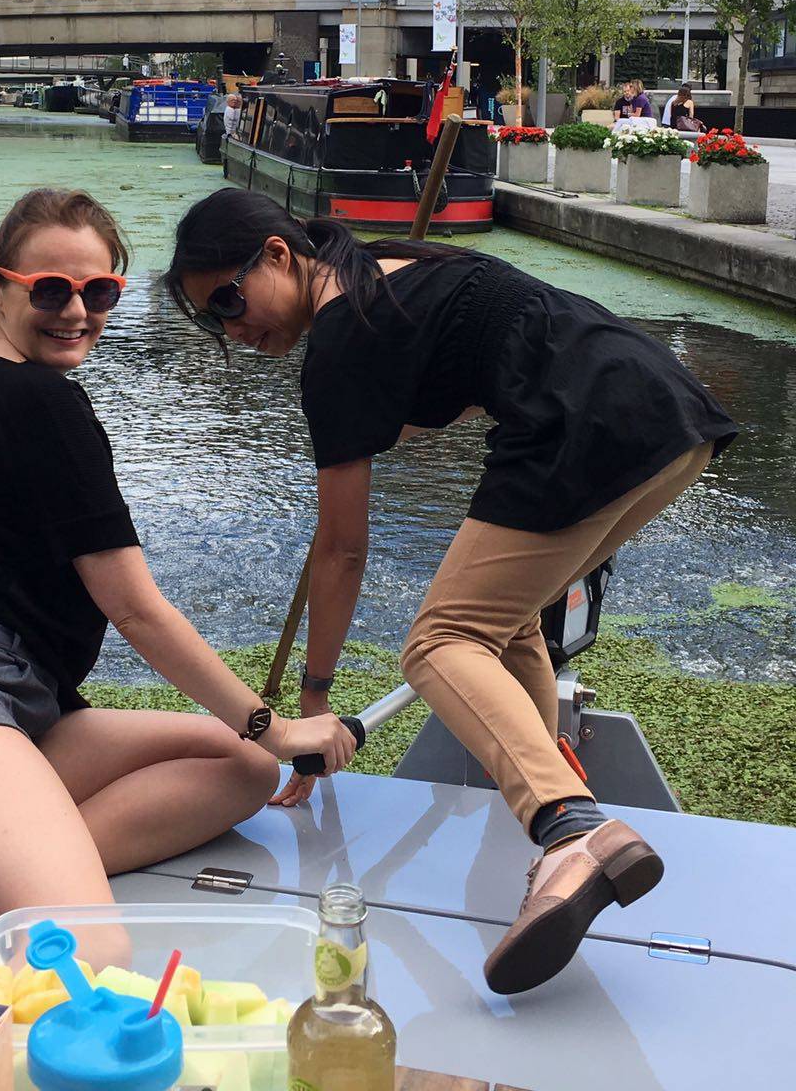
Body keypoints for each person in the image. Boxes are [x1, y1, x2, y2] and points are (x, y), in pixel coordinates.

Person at [164, 190, 736, 996]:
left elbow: (340, 549)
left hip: (582, 427)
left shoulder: (339, 343)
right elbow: (475, 357)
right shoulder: (395, 267)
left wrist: (313, 701)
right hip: (667, 416)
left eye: (229, 298)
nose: (232, 327)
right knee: (504, 629)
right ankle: (547, 823)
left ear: (279, 256)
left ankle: (571, 830)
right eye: (209, 319)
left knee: (439, 644)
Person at [0, 188, 350, 935]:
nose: (76, 311)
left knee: (244, 768)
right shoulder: (39, 401)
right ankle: (7, 860)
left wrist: (263, 743)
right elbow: (134, 608)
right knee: (92, 947)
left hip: (23, 705)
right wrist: (281, 728)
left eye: (98, 291)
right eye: (50, 290)